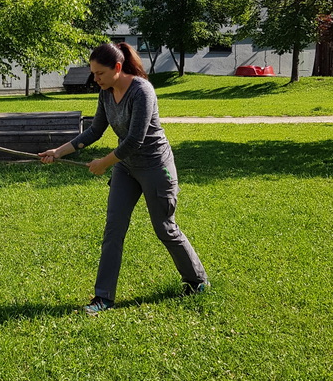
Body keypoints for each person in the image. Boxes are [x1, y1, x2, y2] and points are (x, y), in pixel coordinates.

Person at [39, 41, 209, 314]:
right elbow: (95, 130)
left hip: (155, 166)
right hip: (125, 168)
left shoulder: (142, 91)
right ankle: (103, 297)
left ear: (117, 68)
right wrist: (59, 152)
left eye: (100, 74)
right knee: (113, 230)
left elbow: (134, 140)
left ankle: (197, 280)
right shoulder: (106, 93)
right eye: (93, 74)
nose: (95, 79)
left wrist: (104, 163)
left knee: (164, 228)